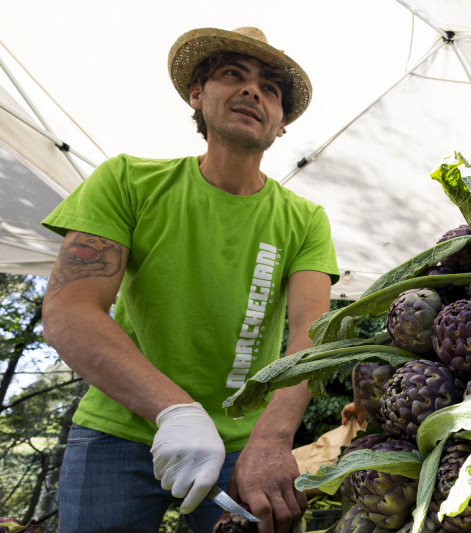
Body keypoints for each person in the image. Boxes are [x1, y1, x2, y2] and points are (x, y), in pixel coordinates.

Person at [41, 27, 339, 533]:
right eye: (233, 75)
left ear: (281, 124)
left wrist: (272, 438)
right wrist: (175, 411)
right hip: (117, 431)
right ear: (198, 95)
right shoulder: (126, 180)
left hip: (245, 447)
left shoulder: (306, 219)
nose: (252, 92)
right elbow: (70, 311)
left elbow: (312, 333)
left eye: (269, 88)